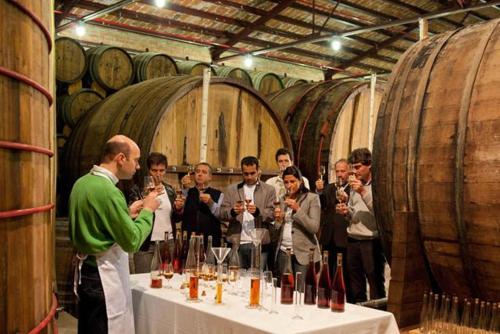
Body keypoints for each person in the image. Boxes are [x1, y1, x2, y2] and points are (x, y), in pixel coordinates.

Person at [69, 135, 160, 334]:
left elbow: (95, 222)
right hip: (102, 275)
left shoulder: (82, 182)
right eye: (135, 160)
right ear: (121, 158)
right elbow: (132, 242)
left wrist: (125, 214)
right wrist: (148, 211)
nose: (137, 167)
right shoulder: (109, 191)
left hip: (86, 272)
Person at [336, 148, 386, 303]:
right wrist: (346, 212)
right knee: (355, 286)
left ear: (369, 165)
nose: (355, 172)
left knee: (375, 285)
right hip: (353, 240)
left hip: (371, 242)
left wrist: (363, 191)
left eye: (358, 167)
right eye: (353, 167)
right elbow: (354, 212)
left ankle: (378, 323)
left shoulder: (379, 185)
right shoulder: (355, 186)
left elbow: (380, 213)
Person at [128, 152, 184, 273]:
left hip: (168, 242)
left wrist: (178, 209)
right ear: (148, 170)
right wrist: (147, 196)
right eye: (154, 170)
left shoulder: (169, 190)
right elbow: (132, 215)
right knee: (143, 278)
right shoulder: (138, 189)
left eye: (161, 170)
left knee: (167, 278)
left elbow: (176, 219)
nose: (158, 174)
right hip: (147, 243)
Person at [220, 156, 276, 270]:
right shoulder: (232, 189)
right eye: (246, 174)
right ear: (241, 172)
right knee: (235, 279)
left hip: (259, 244)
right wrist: (232, 212)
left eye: (252, 173)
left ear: (258, 171)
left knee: (257, 280)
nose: (249, 176)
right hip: (237, 242)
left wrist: (258, 212)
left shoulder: (269, 190)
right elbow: (221, 213)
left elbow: (272, 214)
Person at [274, 166, 321, 288]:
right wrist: (278, 219)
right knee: (284, 291)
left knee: (301, 293)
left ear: (300, 181)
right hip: (284, 251)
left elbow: (314, 227)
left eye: (292, 181)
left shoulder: (312, 198)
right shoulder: (282, 199)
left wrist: (297, 209)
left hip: (303, 253)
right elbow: (279, 227)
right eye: (286, 182)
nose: (289, 185)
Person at [265, 147, 309, 273]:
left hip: (295, 225)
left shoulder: (303, 181)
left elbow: (306, 203)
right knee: (277, 267)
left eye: (286, 161)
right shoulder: (271, 182)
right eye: (280, 161)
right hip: (277, 226)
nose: (283, 164)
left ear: (292, 161)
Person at [315, 159, 351, 299]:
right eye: (337, 171)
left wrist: (346, 200)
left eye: (343, 171)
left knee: (343, 272)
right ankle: (325, 298)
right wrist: (319, 191)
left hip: (344, 237)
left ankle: (341, 299)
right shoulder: (329, 188)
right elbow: (322, 205)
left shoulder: (351, 189)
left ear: (348, 172)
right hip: (329, 236)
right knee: (327, 271)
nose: (340, 174)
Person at [178, 162, 224, 247]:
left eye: (204, 172)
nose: (200, 174)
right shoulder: (187, 192)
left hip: (211, 241)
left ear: (210, 177)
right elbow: (179, 212)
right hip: (189, 240)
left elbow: (221, 215)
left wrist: (210, 202)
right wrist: (184, 188)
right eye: (197, 171)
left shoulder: (218, 194)